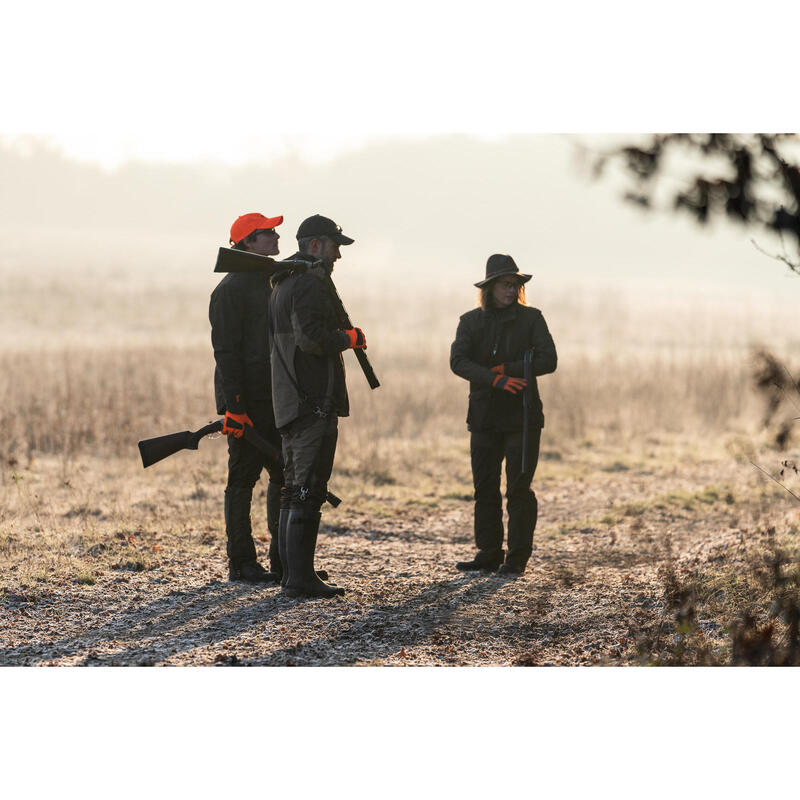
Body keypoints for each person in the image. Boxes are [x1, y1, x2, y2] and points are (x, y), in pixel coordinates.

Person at [269, 214, 365, 598]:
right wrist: (348, 337)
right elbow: (311, 339)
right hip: (311, 400)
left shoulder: (282, 283)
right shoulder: (309, 283)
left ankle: (295, 574)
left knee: (294, 488)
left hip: (292, 398)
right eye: (334, 245)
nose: (338, 255)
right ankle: (298, 579)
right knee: (307, 488)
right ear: (314, 245)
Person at [450, 254, 557, 576]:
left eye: (516, 285)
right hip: (483, 416)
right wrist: (494, 379)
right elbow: (458, 362)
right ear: (490, 287)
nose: (512, 291)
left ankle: (517, 558)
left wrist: (508, 369)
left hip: (523, 418)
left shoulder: (532, 319)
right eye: (506, 285)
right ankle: (488, 552)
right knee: (484, 488)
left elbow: (549, 360)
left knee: (519, 490)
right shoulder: (469, 322)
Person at [209, 212, 285, 583]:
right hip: (246, 403)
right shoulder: (230, 289)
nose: (275, 236)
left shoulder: (268, 282)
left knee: (283, 474)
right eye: (268, 233)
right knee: (241, 481)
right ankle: (241, 563)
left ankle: (283, 560)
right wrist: (235, 407)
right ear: (248, 242)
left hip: (273, 398)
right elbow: (225, 353)